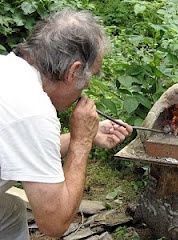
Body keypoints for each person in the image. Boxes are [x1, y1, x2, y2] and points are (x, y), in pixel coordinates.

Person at [0, 9, 133, 239]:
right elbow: (54, 223)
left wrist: (87, 135)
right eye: (91, 75)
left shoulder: (9, 70)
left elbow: (26, 145)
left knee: (11, 211)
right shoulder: (33, 110)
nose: (88, 86)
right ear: (73, 71)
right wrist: (81, 142)